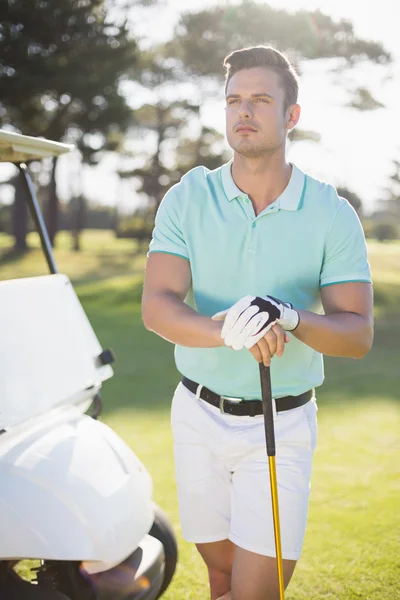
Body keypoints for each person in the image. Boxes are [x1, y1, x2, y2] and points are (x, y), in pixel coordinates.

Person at [141, 45, 373, 600]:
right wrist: (227, 330)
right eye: (234, 100)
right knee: (219, 578)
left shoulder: (330, 211)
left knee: (256, 592)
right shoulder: (188, 196)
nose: (243, 112)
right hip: (196, 415)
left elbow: (357, 333)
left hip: (281, 425)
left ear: (292, 115)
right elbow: (158, 306)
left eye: (261, 100)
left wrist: (289, 317)